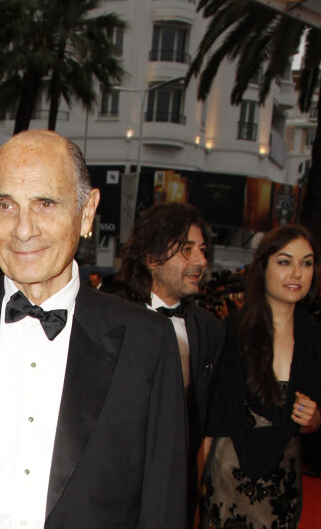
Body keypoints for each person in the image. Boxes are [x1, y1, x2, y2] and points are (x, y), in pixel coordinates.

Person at [0, 129, 188, 528]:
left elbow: (163, 506)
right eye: (5, 205)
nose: (24, 229)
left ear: (87, 211)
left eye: (45, 203)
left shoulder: (147, 343)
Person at [200, 225, 321, 528]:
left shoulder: (318, 339)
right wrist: (194, 488)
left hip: (283, 485)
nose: (297, 273)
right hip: (227, 477)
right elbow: (213, 422)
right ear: (263, 268)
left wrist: (314, 421)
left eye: (307, 262)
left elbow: (316, 420)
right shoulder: (231, 332)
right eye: (285, 262)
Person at [115, 202, 225, 528]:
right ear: (151, 257)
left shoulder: (211, 330)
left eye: (203, 250)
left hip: (176, 492)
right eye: (186, 250)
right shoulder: (111, 318)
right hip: (116, 491)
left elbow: (204, 424)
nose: (201, 262)